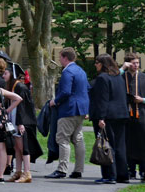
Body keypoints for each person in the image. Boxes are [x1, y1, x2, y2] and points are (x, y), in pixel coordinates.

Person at [46, 47, 89, 179]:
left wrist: (55, 101)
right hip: (81, 109)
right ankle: (78, 170)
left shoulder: (67, 72)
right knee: (78, 139)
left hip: (69, 109)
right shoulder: (81, 71)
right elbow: (87, 89)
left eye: (60, 57)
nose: (59, 60)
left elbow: (65, 92)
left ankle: (62, 169)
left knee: (62, 139)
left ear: (65, 57)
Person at [90, 54, 129, 184]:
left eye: (97, 62)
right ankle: (122, 175)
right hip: (121, 114)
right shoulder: (118, 77)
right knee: (120, 146)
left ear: (103, 64)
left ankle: (110, 175)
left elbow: (103, 100)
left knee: (107, 146)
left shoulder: (102, 78)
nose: (95, 64)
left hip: (108, 116)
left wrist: (101, 117)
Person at [123, 53, 145, 181]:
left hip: (142, 114)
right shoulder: (121, 77)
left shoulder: (143, 77)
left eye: (137, 63)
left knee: (142, 143)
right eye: (133, 63)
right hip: (126, 115)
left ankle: (143, 170)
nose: (136, 65)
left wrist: (142, 100)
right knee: (128, 143)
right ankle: (130, 169)